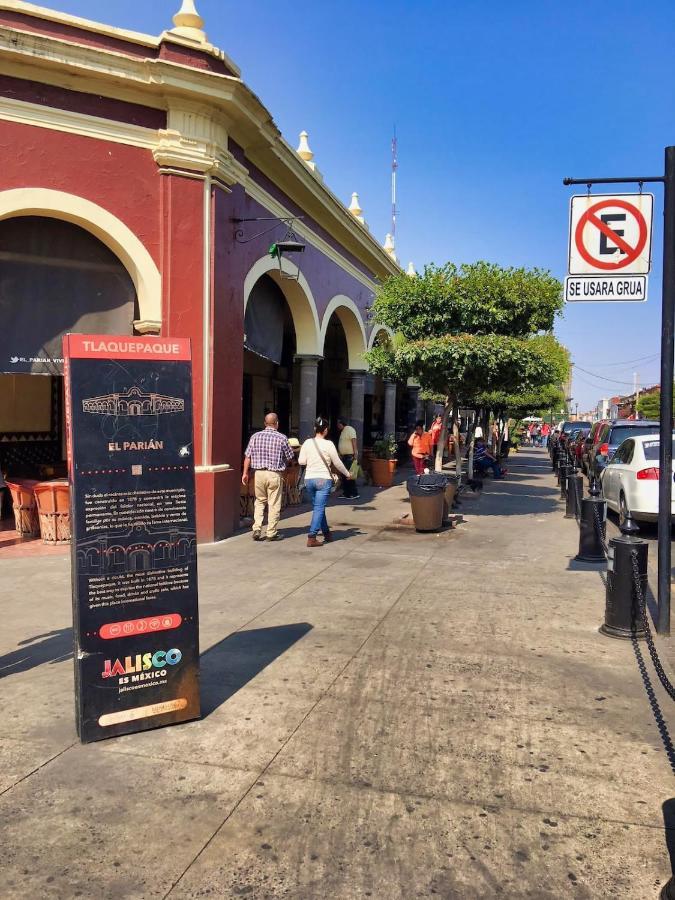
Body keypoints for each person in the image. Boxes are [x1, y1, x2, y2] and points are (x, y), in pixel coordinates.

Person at [298, 417, 352, 547]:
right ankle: (312, 536)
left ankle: (327, 533)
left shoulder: (307, 443)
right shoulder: (329, 444)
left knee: (318, 507)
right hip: (323, 480)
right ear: (326, 430)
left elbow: (301, 462)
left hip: (309, 479)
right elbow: (337, 462)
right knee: (319, 508)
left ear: (315, 429)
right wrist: (347, 473)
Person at [242, 412, 294, 542]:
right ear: (277, 423)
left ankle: (257, 528)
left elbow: (247, 456)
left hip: (258, 473)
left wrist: (245, 473)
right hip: (274, 474)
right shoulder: (282, 438)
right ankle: (271, 532)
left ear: (265, 423)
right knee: (274, 504)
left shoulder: (255, 436)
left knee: (259, 501)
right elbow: (290, 457)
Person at [337, 417, 359, 500]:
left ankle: (353, 493)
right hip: (344, 457)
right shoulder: (343, 431)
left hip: (350, 456)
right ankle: (346, 493)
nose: (337, 426)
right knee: (344, 475)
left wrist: (355, 455)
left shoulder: (350, 429)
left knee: (350, 475)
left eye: (338, 424)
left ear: (341, 423)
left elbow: (354, 442)